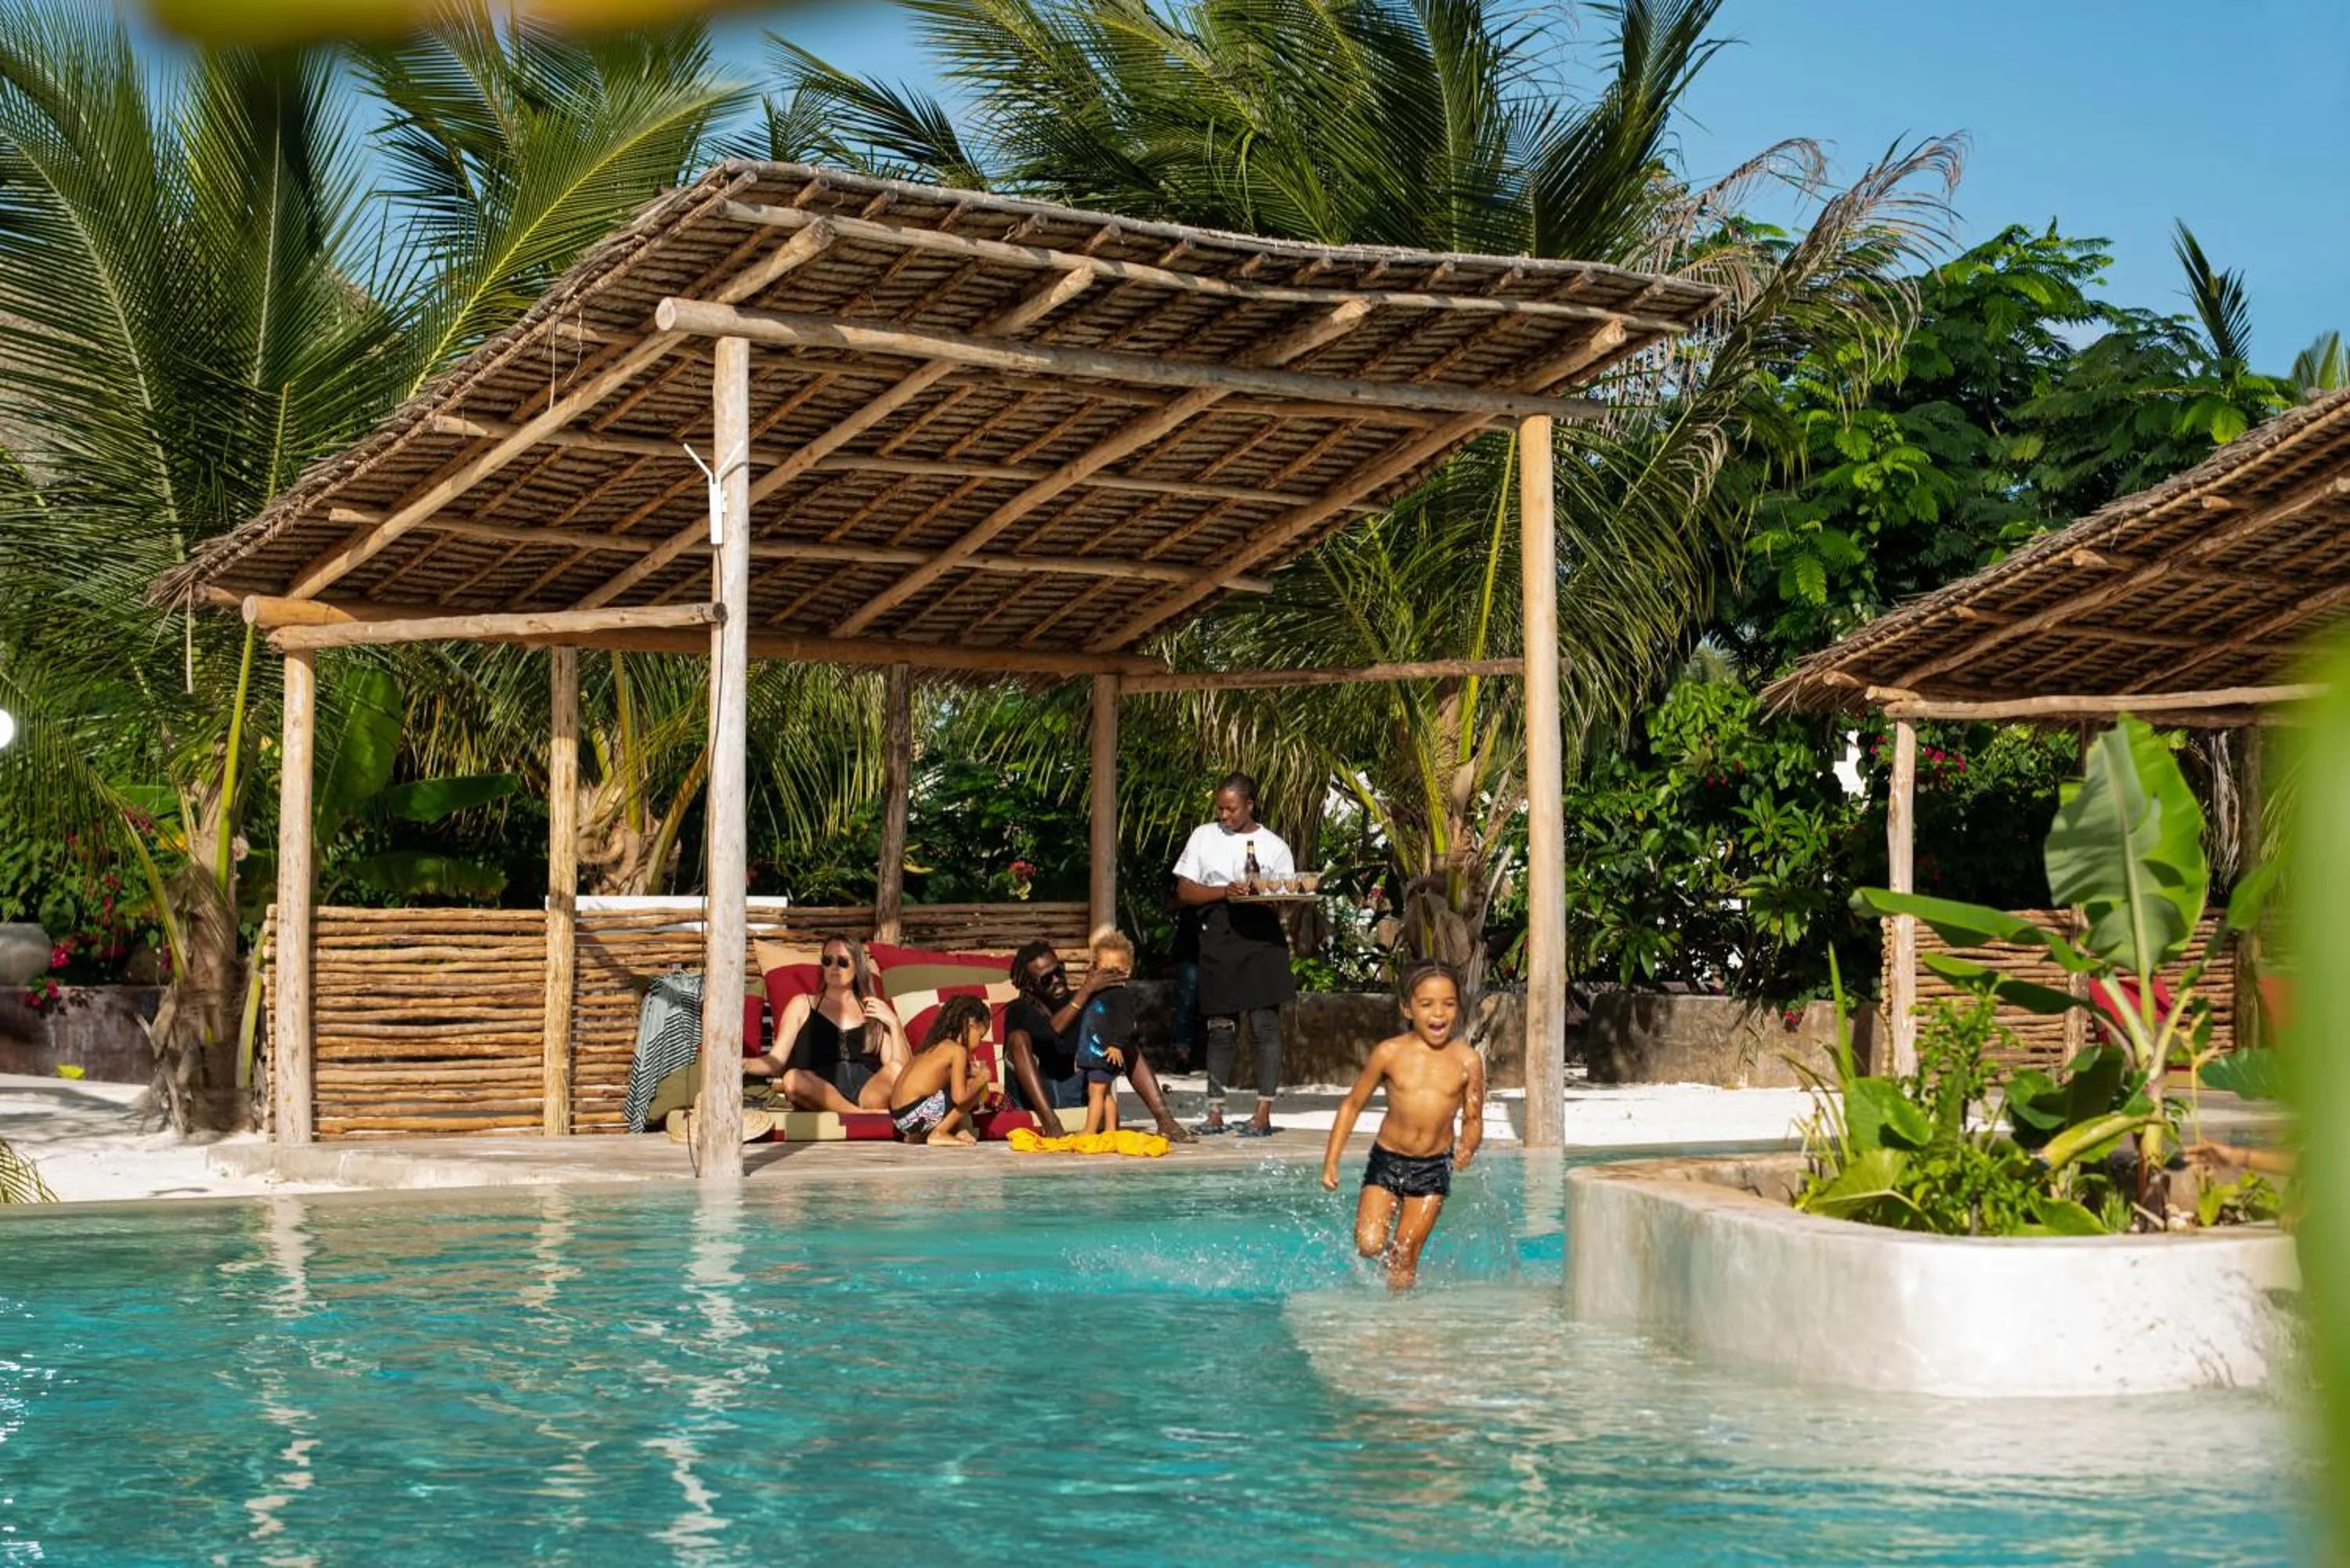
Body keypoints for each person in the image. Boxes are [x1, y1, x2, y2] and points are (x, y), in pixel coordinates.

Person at [1319, 962, 1486, 1289]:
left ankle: (1401, 1322)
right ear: (1407, 1009)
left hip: (1432, 1168)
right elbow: (1352, 1105)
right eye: (1427, 1005)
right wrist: (1331, 1160)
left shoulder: (1467, 1060)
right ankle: (1390, 1273)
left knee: (1406, 1253)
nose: (1438, 1014)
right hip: (1388, 1160)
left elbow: (1473, 1115)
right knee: (1368, 1245)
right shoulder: (1390, 1053)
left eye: (1448, 1004)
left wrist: (1469, 1145)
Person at [1173, 771, 1294, 1136]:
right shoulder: (1204, 836)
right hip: (1220, 932)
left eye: (1231, 809)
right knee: (1221, 1028)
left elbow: (1285, 897)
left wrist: (1263, 894)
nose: (1223, 815)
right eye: (1220, 808)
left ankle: (1263, 1114)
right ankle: (1214, 1113)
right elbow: (1185, 891)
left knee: (1265, 1026)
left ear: (1250, 805)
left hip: (1261, 937)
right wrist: (1224, 892)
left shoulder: (1273, 846)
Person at [1003, 940, 1195, 1142]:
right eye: (1046, 979)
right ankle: (1052, 1124)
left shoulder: (1080, 1000)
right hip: (1037, 1100)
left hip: (1077, 1092)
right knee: (1018, 1038)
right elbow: (1052, 1031)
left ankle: (1165, 1122)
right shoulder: (1019, 1010)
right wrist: (1086, 991)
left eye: (1058, 971)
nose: (1057, 980)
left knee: (1120, 1043)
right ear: (1029, 985)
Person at [749, 936, 908, 1115]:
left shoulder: (873, 1009)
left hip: (868, 1092)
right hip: (819, 1089)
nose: (834, 967)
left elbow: (901, 1070)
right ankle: (857, 1115)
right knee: (792, 1078)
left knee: (897, 1069)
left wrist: (894, 1024)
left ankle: (855, 1114)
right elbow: (774, 1061)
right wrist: (743, 1065)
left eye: (842, 962)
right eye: (827, 960)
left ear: (857, 966)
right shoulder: (803, 1004)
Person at [886, 993, 993, 1145]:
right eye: (981, 1036)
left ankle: (920, 1135)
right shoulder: (957, 1051)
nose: (979, 1043)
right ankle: (939, 1133)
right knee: (973, 1085)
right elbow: (959, 1098)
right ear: (971, 1024)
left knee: (958, 1083)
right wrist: (982, 1078)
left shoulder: (934, 1046)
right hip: (914, 1116)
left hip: (898, 1118)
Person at [1075, 930, 1141, 1136]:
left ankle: (1089, 1130)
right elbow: (1088, 1026)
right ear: (1094, 969)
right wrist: (1081, 1055)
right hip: (1095, 1054)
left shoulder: (1120, 996)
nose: (1108, 975)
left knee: (1095, 1091)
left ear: (1126, 971)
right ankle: (1111, 1129)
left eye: (1114, 970)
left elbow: (1126, 1024)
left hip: (1106, 1053)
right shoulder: (1096, 995)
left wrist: (1116, 1044)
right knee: (1105, 1094)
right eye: (1104, 970)